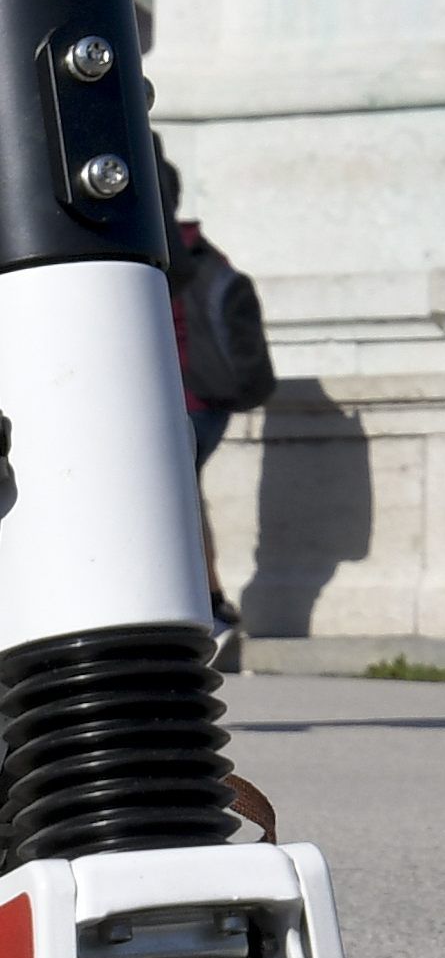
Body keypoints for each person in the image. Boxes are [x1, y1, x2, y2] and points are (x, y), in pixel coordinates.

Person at [159, 156, 242, 648]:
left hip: (181, 399)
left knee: (179, 496)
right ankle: (209, 604)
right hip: (211, 402)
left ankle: (206, 606)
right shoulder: (203, 251)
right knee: (185, 494)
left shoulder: (150, 257)